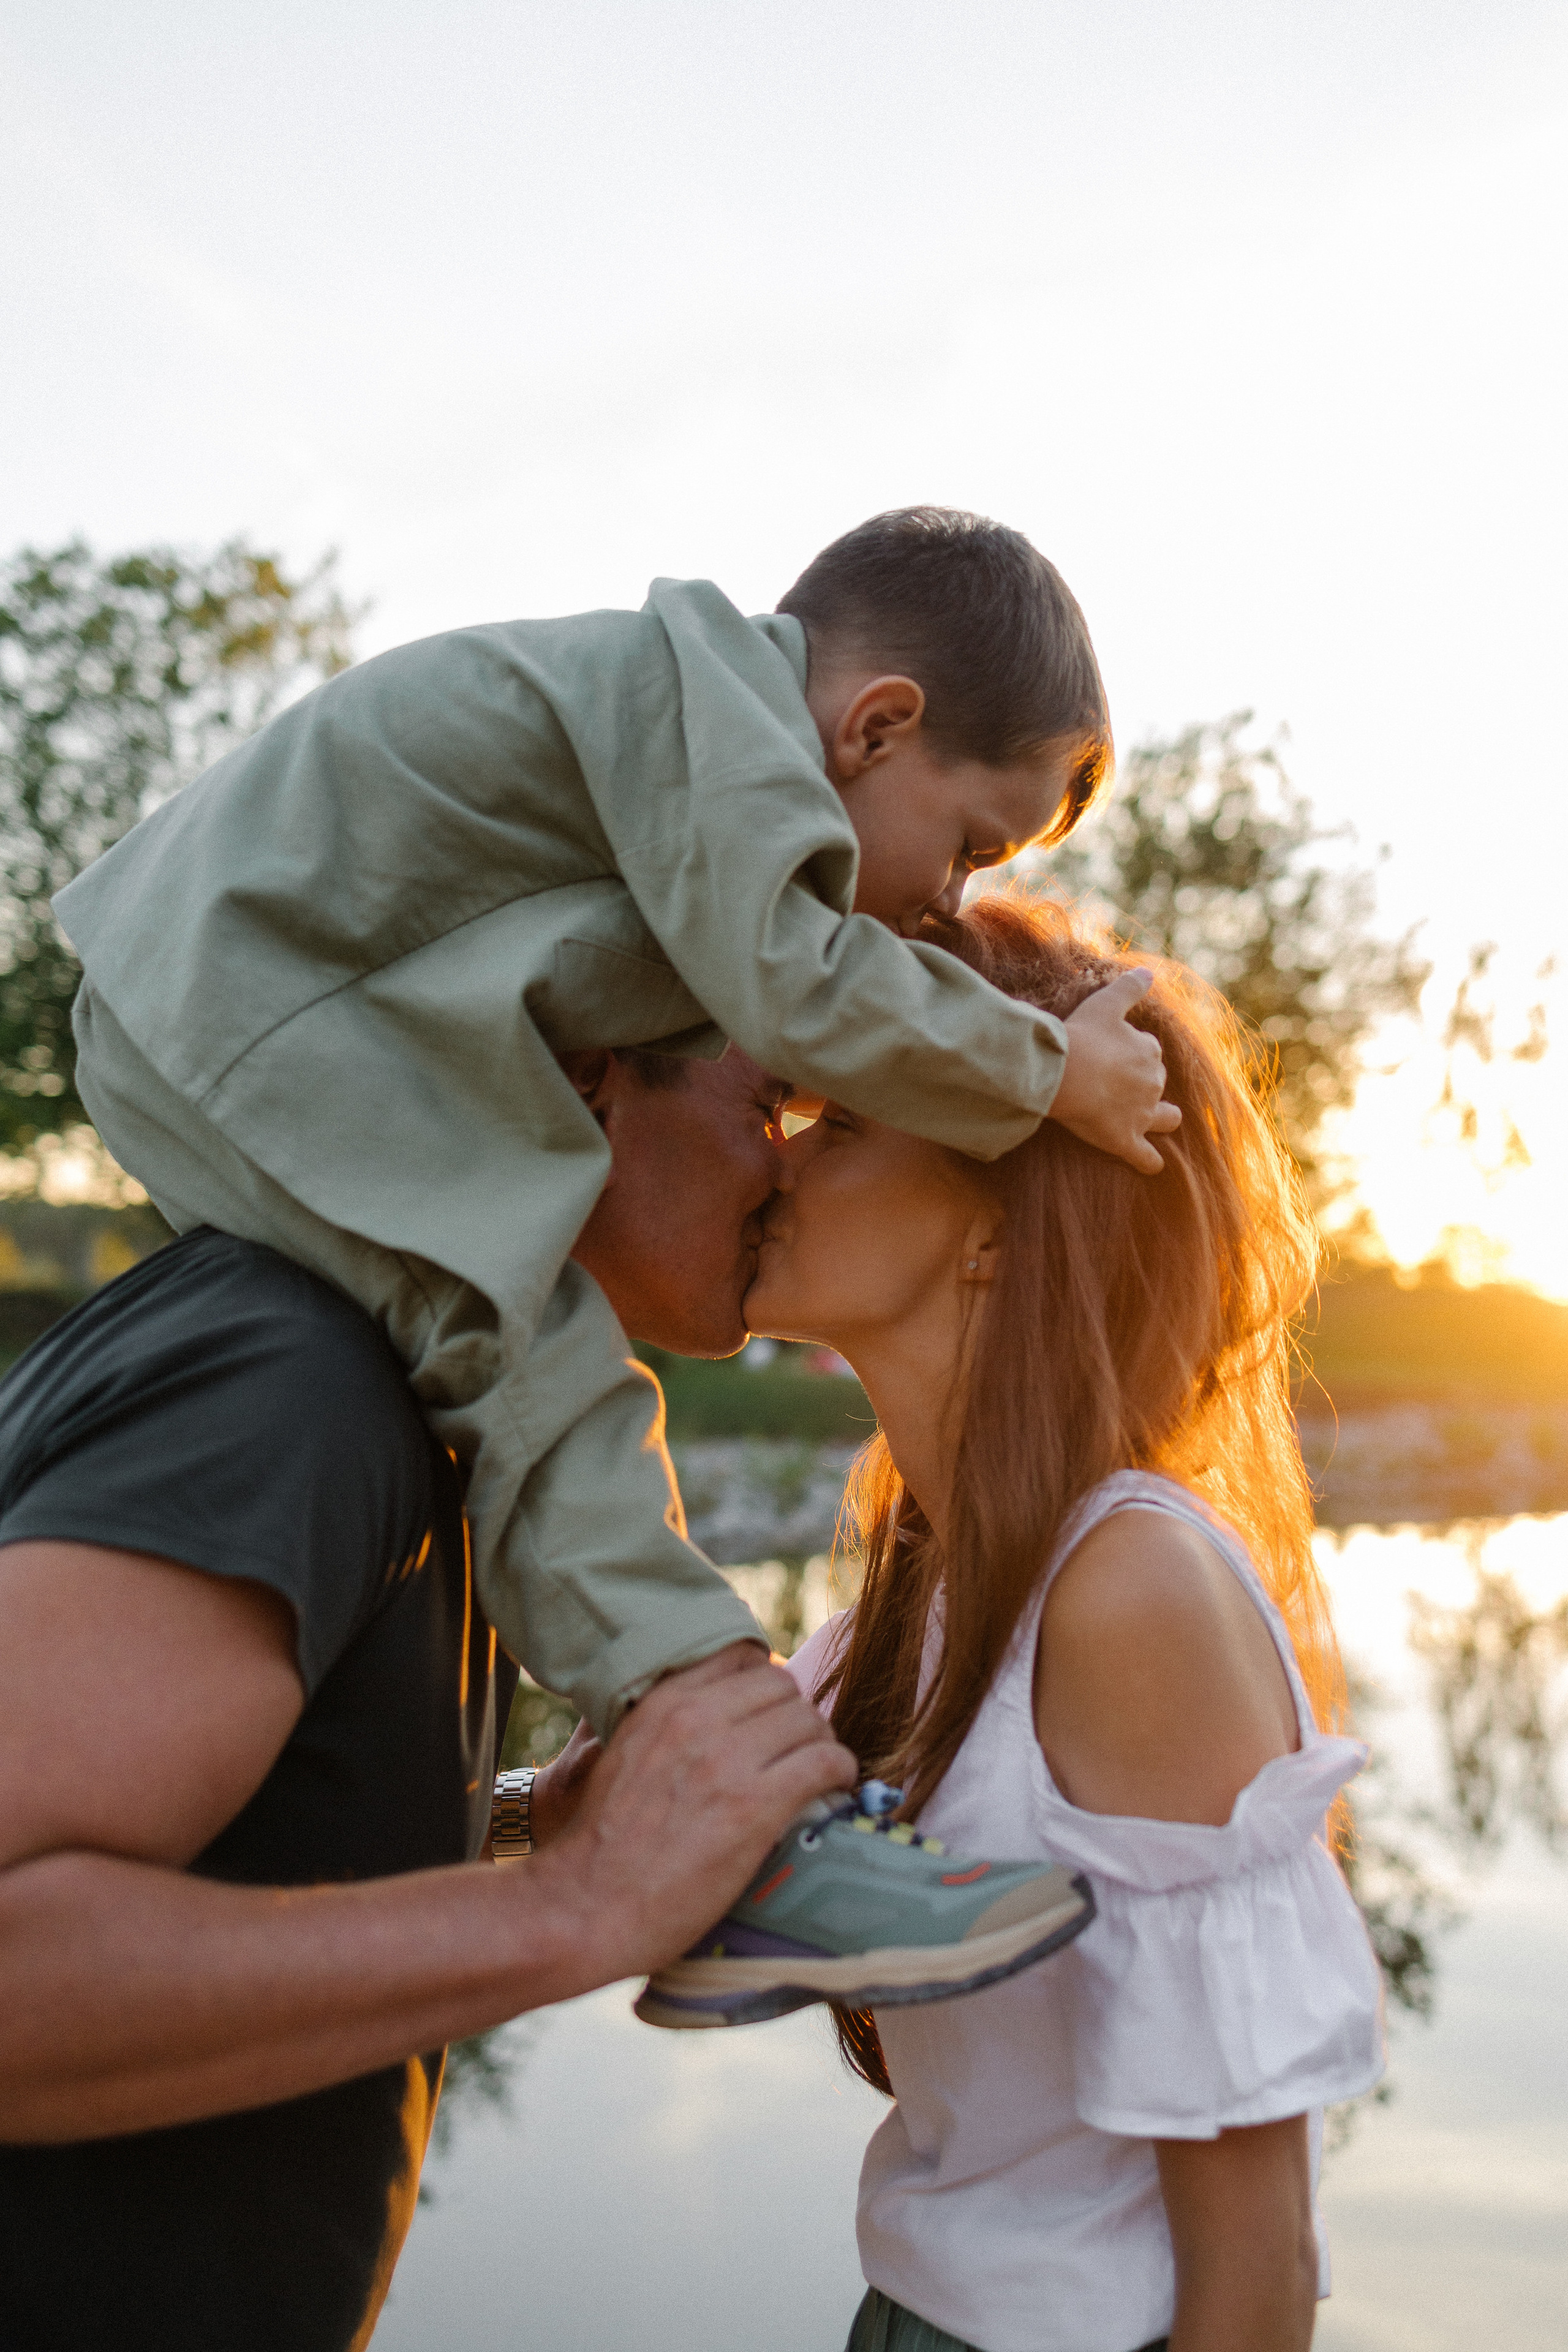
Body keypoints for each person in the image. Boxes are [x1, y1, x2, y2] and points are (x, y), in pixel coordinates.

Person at [53, 507, 1178, 1796]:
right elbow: (794, 988)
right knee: (530, 1350)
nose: (948, 902)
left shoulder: (670, 751)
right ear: (874, 726)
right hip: (255, 1014)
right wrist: (1047, 1073)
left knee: (512, 1359)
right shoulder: (710, 734)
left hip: (243, 1000)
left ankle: (671, 1762)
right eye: (972, 847)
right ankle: (713, 1755)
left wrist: (521, 1835)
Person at [0, 1039, 861, 2351]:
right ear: (585, 1077)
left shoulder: (408, 1382)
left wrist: (526, 1821)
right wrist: (575, 1907)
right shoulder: (290, 1376)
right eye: (768, 1108)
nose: (788, 1166)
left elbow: (272, 1826)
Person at [658, 893, 1386, 2352]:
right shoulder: (925, 1579)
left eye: (844, 1127)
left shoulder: (1127, 1593)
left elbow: (1250, 2268)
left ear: (996, 1228)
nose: (777, 1155)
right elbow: (669, 1827)